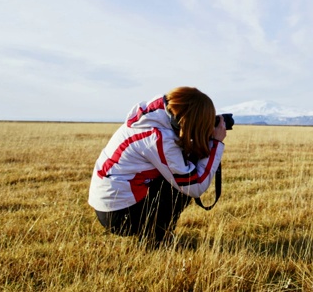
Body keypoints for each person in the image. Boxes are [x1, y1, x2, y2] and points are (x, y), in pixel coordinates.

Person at [88, 86, 226, 245]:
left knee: (174, 176)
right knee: (181, 186)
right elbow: (194, 185)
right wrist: (215, 143)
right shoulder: (158, 138)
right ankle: (155, 240)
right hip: (118, 215)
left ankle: (156, 233)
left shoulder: (155, 116)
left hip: (109, 205)